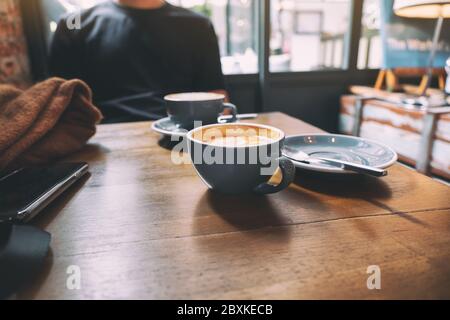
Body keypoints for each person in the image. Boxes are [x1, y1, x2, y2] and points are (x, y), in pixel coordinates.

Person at [49, 0, 227, 123]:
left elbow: (217, 97)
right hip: (100, 139)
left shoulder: (198, 26)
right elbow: (60, 104)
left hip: (180, 137)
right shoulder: (74, 25)